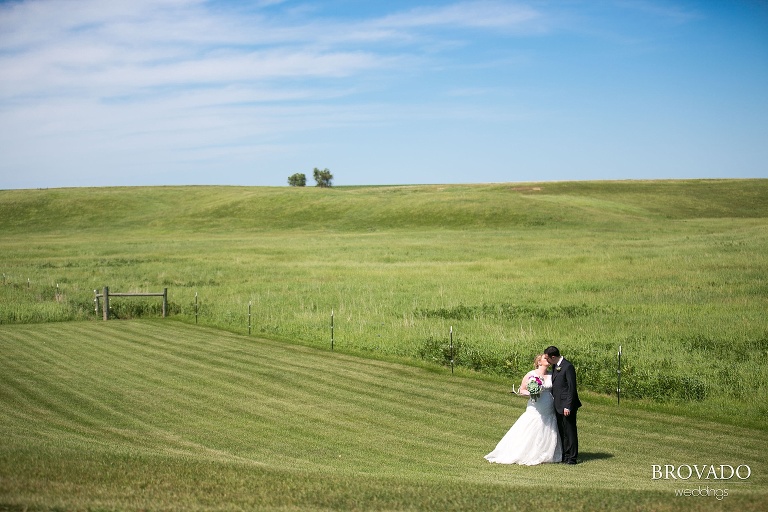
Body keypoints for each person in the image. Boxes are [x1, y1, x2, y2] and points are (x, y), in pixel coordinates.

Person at [484, 354, 561, 465]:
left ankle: (543, 452)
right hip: (536, 406)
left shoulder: (551, 375)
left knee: (547, 427)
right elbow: (522, 389)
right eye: (545, 358)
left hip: (549, 406)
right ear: (539, 362)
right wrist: (532, 392)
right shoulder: (531, 375)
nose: (548, 360)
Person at [544, 345, 581, 465]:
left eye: (547, 358)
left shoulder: (568, 366)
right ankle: (565, 455)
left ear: (553, 357)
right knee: (562, 431)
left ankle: (572, 457)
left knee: (570, 431)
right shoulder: (556, 365)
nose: (547, 361)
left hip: (566, 405)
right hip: (558, 404)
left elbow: (571, 388)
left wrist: (568, 406)